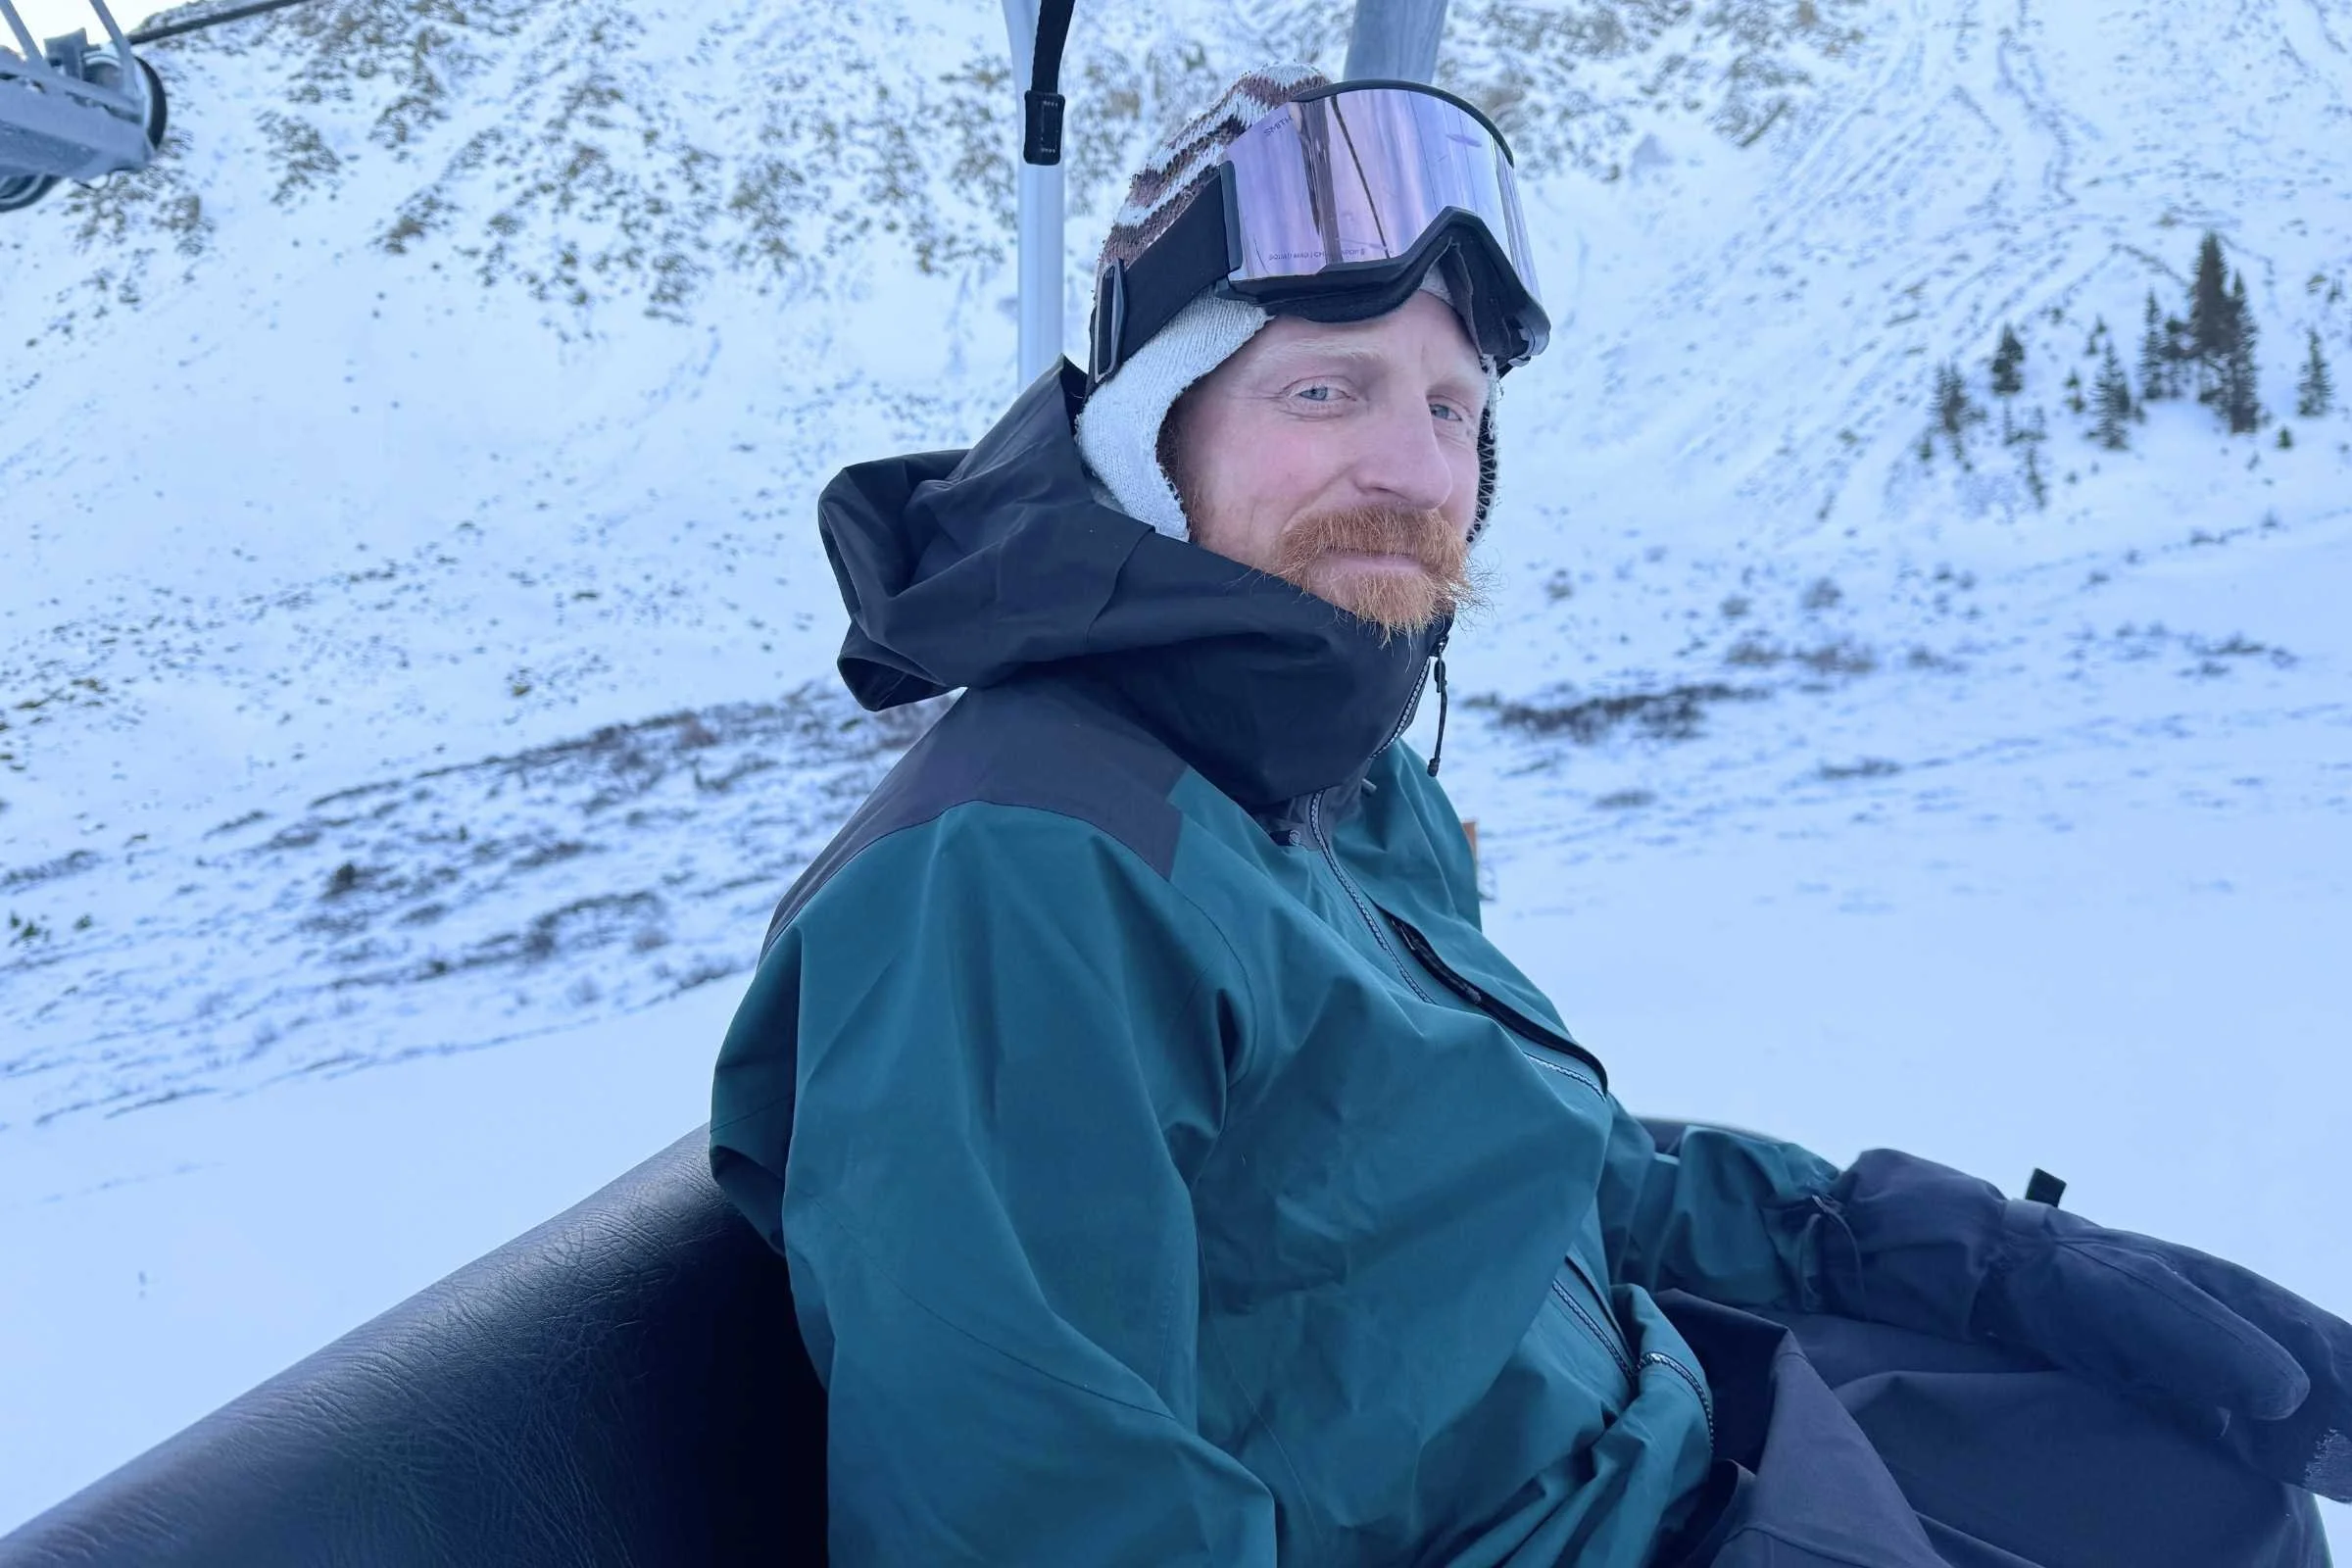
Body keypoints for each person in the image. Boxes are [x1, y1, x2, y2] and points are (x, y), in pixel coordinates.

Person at [710, 66, 2349, 1566]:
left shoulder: (1327, 783)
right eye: (1326, 393)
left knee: (2227, 1503)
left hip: (1668, 1434)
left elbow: (1520, 1178)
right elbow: (1045, 1523)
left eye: (1449, 409)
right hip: (1568, 1530)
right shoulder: (1019, 883)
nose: (1416, 469)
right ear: (1153, 438)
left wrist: (1942, 1252)